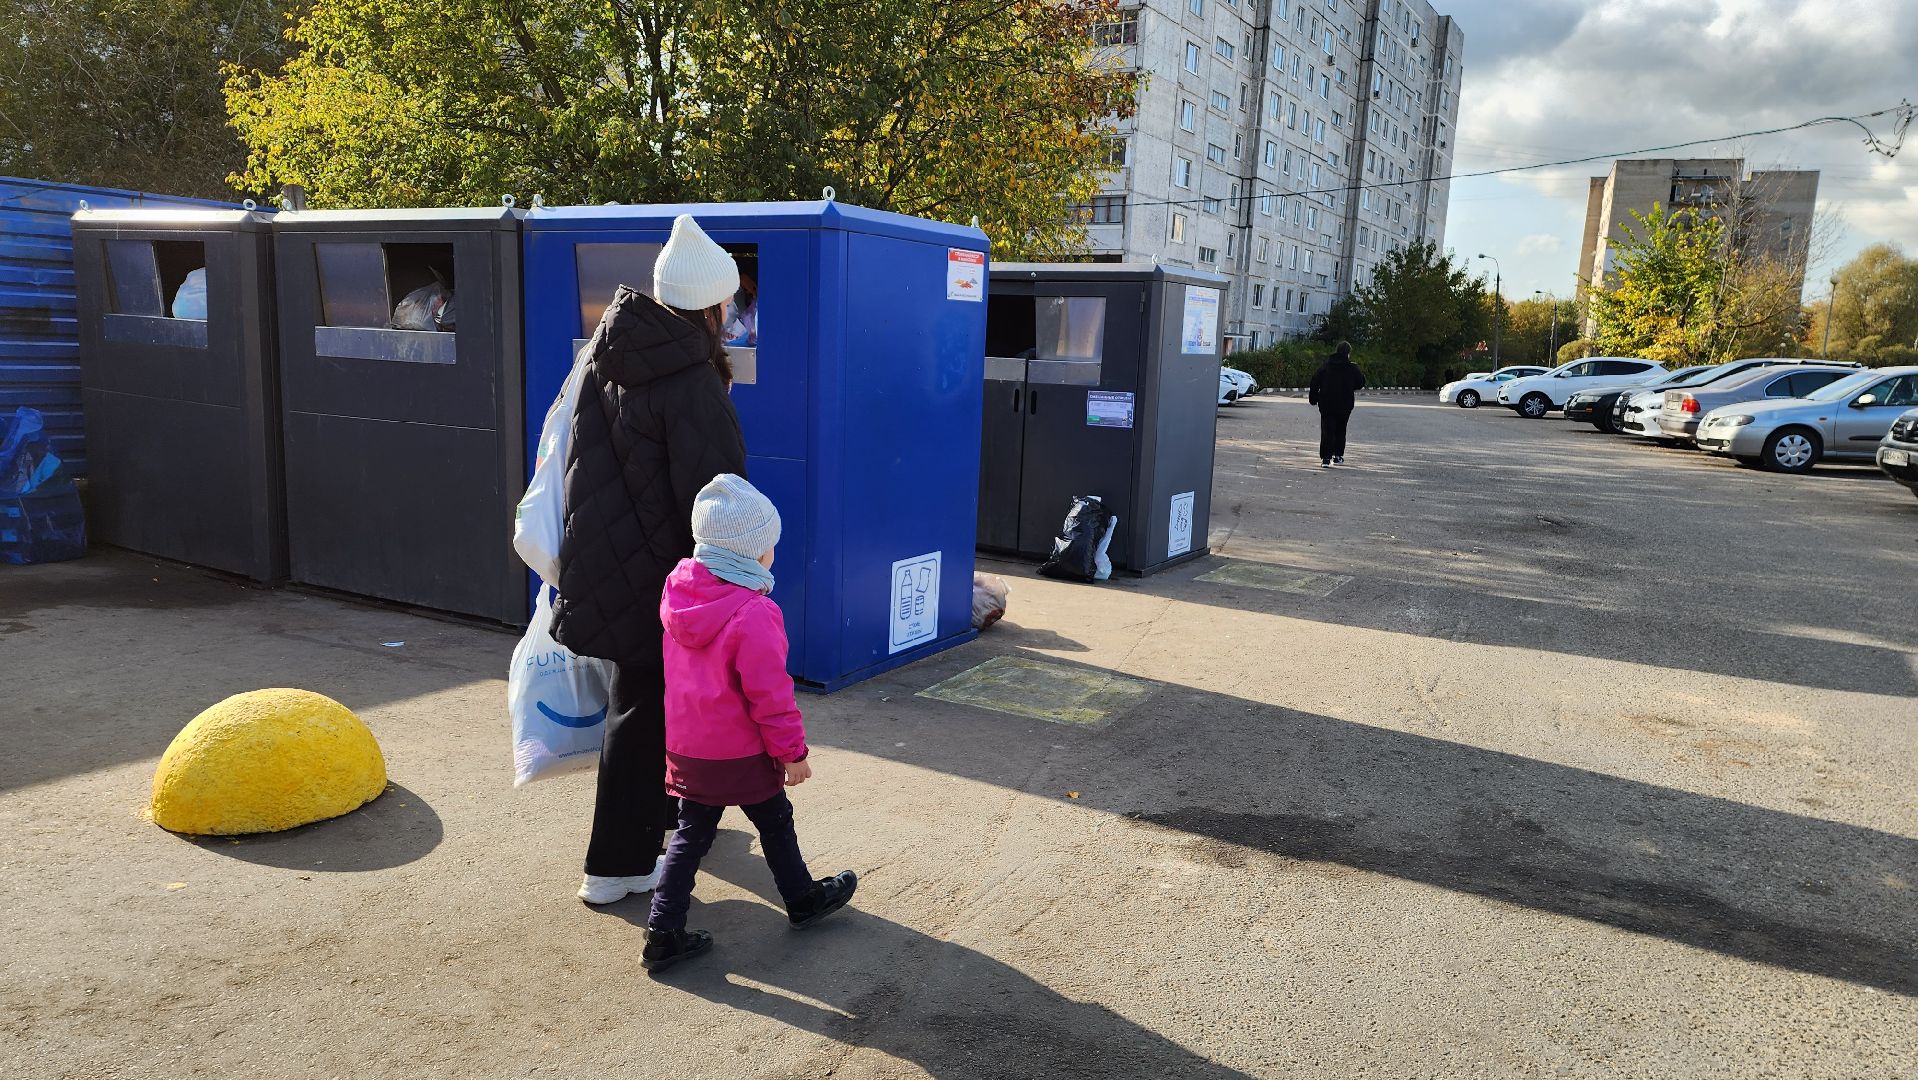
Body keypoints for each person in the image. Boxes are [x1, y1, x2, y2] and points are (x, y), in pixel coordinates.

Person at [551, 215, 749, 906]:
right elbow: (714, 500)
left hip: (612, 563)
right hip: (658, 576)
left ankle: (664, 818)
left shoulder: (614, 356)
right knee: (639, 714)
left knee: (654, 706)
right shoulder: (689, 380)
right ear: (712, 306)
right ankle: (615, 864)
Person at [642, 474, 857, 972]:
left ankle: (662, 930)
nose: (773, 555)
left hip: (690, 746)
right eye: (770, 547)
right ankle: (802, 899)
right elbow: (771, 697)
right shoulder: (754, 612)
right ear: (751, 554)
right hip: (742, 750)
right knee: (776, 821)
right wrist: (792, 753)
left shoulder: (678, 594)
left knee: (691, 836)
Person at [1308, 340, 1367, 468]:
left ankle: (1325, 458)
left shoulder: (1326, 366)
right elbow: (1360, 383)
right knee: (1341, 429)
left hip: (1326, 403)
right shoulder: (1352, 367)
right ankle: (1338, 455)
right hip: (1344, 404)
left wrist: (1313, 398)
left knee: (1327, 430)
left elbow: (1315, 381)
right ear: (1348, 353)